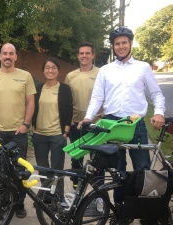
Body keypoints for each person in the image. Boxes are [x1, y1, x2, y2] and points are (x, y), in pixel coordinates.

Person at [81, 26, 165, 205]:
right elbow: (97, 97)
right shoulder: (105, 70)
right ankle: (119, 209)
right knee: (116, 171)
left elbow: (156, 94)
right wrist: (88, 117)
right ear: (112, 46)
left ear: (130, 43)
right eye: (117, 43)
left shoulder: (142, 68)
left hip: (136, 124)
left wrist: (158, 112)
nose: (120, 46)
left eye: (124, 43)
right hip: (112, 125)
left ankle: (144, 209)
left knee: (142, 169)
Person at [0, 43, 36, 218]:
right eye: (4, 53)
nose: (7, 56)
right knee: (1, 171)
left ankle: (19, 203)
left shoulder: (25, 76)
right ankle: (5, 202)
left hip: (18, 134)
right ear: (0, 56)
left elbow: (30, 102)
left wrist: (25, 125)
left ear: (15, 57)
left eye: (10, 53)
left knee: (19, 171)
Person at [65, 42, 102, 186]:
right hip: (76, 124)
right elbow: (67, 101)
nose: (84, 56)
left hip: (96, 124)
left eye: (88, 53)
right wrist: (69, 122)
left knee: (97, 160)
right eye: (82, 53)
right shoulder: (70, 76)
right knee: (76, 159)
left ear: (93, 55)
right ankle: (76, 189)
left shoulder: (101, 73)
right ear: (78, 56)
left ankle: (99, 195)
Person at [31, 57, 72, 184]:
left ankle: (58, 199)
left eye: (54, 68)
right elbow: (33, 109)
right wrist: (33, 129)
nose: (50, 70)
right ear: (43, 71)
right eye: (47, 67)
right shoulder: (37, 89)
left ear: (58, 71)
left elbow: (69, 111)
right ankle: (45, 198)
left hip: (57, 135)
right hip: (40, 136)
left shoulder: (65, 89)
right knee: (42, 169)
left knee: (57, 170)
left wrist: (65, 133)